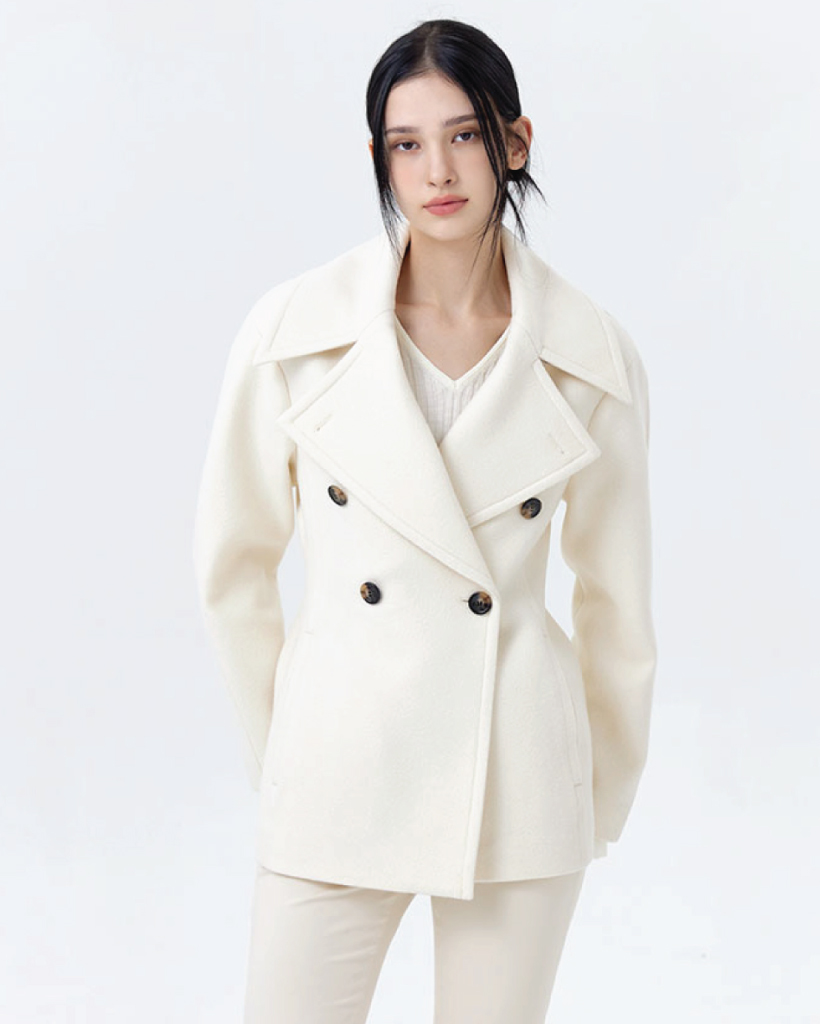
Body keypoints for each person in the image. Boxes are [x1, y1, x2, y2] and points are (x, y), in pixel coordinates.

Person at [192, 17, 657, 1024]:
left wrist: (594, 792)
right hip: (338, 766)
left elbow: (618, 601)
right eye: (406, 144)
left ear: (514, 142)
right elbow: (232, 566)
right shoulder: (295, 333)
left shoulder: (590, 354)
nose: (436, 170)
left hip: (517, 777)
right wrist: (290, 753)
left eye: (464, 135)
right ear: (379, 158)